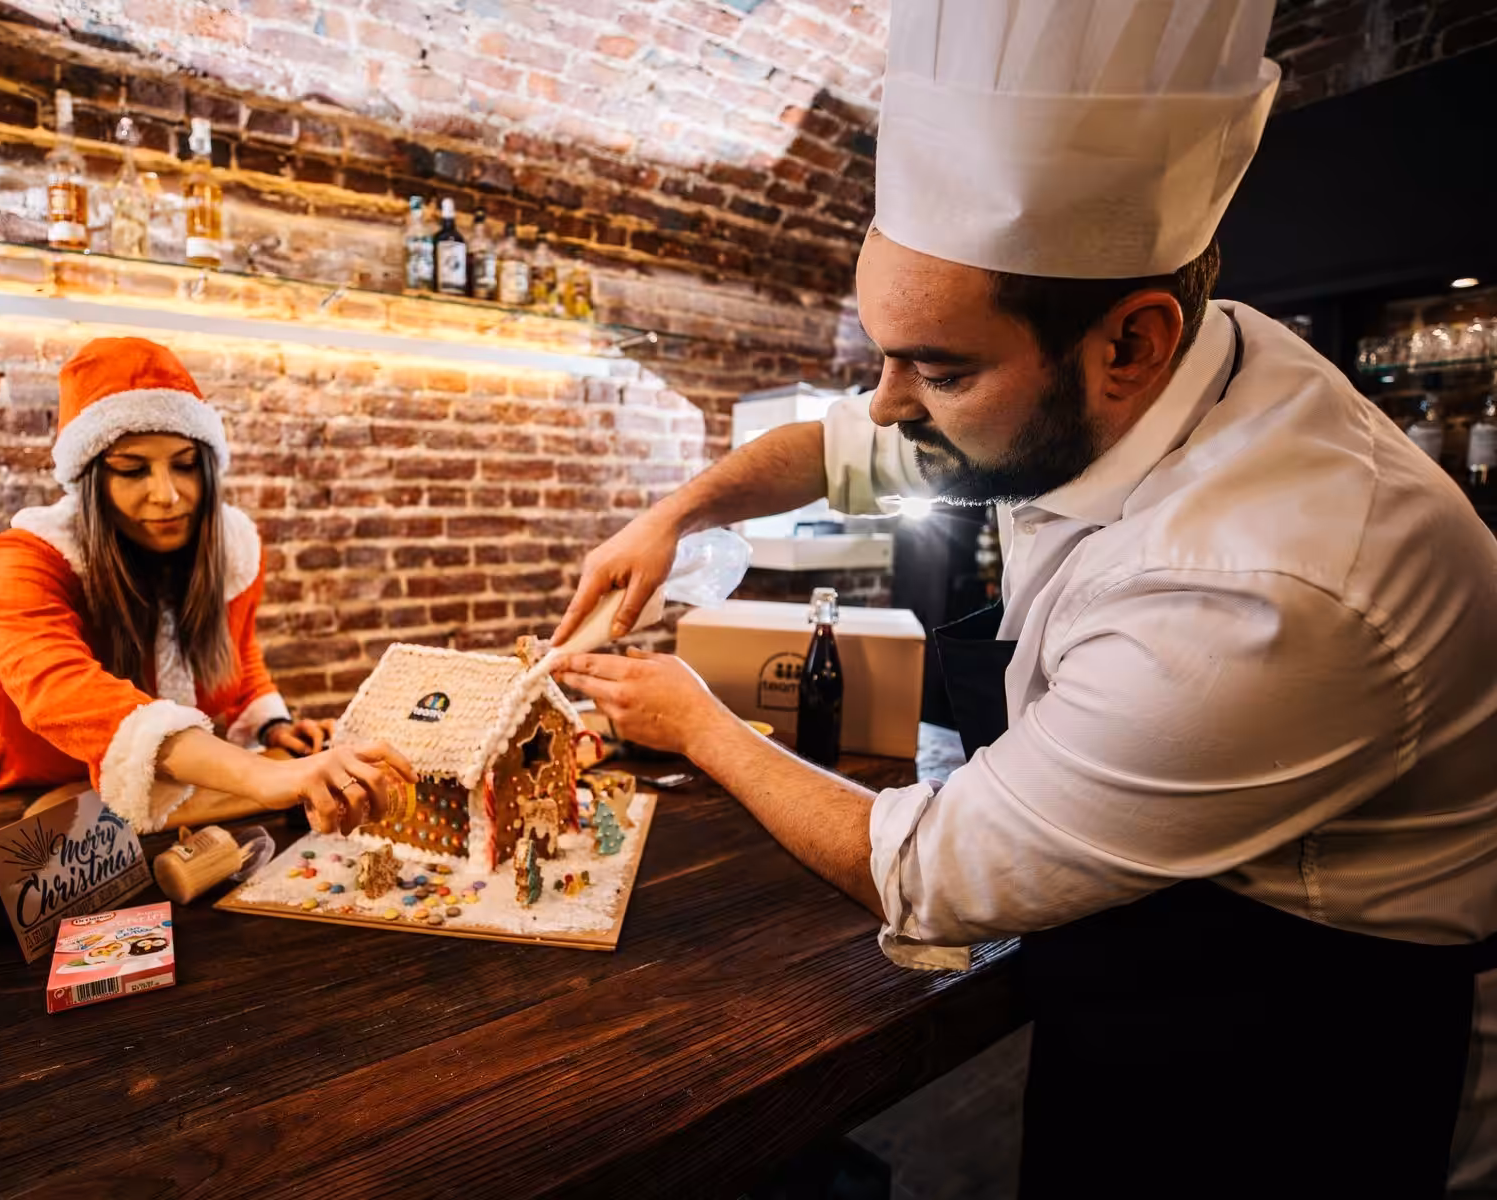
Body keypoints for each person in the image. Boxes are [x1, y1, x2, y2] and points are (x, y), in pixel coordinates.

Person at [552, 3, 1497, 1196]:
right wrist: (675, 514)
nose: (890, 405)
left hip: (1303, 1034)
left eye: (938, 370)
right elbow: (846, 444)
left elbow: (937, 876)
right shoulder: (1162, 366)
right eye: (886, 356)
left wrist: (696, 720)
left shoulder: (1264, 590)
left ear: (1131, 344)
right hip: (1150, 961)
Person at [0, 336, 414, 833]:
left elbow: (239, 656)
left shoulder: (232, 550)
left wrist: (273, 728)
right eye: (132, 469)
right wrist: (257, 773)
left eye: (186, 465)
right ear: (89, 480)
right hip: (32, 816)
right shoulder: (30, 559)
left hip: (187, 815)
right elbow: (61, 692)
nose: (167, 495)